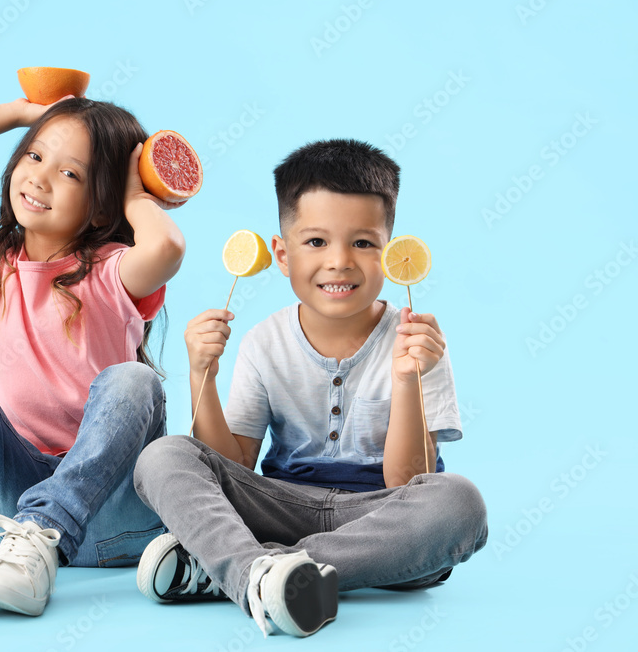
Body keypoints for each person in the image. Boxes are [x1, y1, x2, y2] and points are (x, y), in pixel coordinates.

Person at [132, 139, 487, 637]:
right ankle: (261, 573)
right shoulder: (264, 341)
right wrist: (201, 376)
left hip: (380, 521)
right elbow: (233, 468)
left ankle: (239, 569)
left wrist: (408, 379)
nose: (339, 261)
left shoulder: (419, 342)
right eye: (316, 242)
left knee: (459, 503)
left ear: (391, 254)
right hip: (280, 506)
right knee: (163, 456)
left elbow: (409, 483)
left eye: (363, 243)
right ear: (281, 253)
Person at [0, 96, 186, 618]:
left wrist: (136, 195)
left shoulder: (114, 272)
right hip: (17, 528)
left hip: (115, 515)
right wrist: (23, 113)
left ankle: (48, 531)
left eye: (69, 172)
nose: (40, 179)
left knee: (134, 380)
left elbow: (166, 248)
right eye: (34, 156)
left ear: (103, 204)